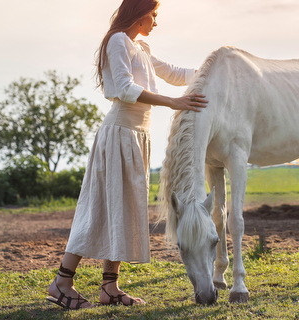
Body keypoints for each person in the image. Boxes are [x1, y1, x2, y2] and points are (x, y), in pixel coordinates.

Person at [47, 0, 208, 310]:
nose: (156, 22)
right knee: (98, 208)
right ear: (139, 13)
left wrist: (214, 71)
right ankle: (61, 283)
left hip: (138, 137)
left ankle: (110, 287)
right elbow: (124, 87)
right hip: (120, 133)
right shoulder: (118, 41)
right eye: (154, 15)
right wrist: (173, 103)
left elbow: (174, 73)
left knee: (123, 209)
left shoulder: (141, 47)